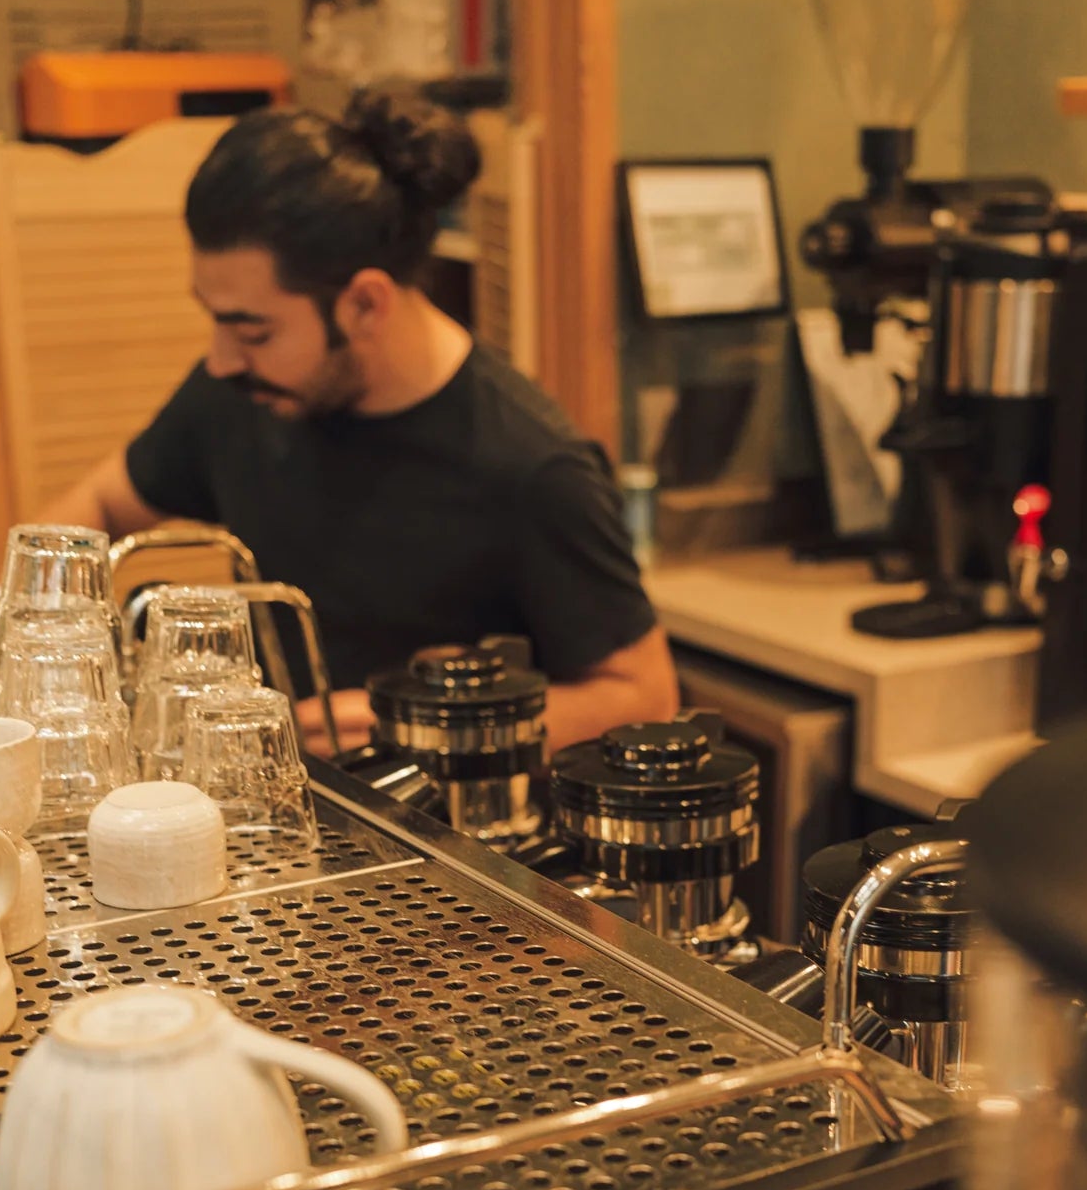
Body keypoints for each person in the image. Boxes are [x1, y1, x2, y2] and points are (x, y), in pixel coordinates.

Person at [41, 84, 678, 754]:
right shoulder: (240, 392)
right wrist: (32, 628)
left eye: (254, 331)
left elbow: (645, 696)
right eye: (214, 318)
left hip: (444, 813)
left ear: (366, 305)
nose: (221, 358)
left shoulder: (531, 464)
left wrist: (429, 723)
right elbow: (103, 504)